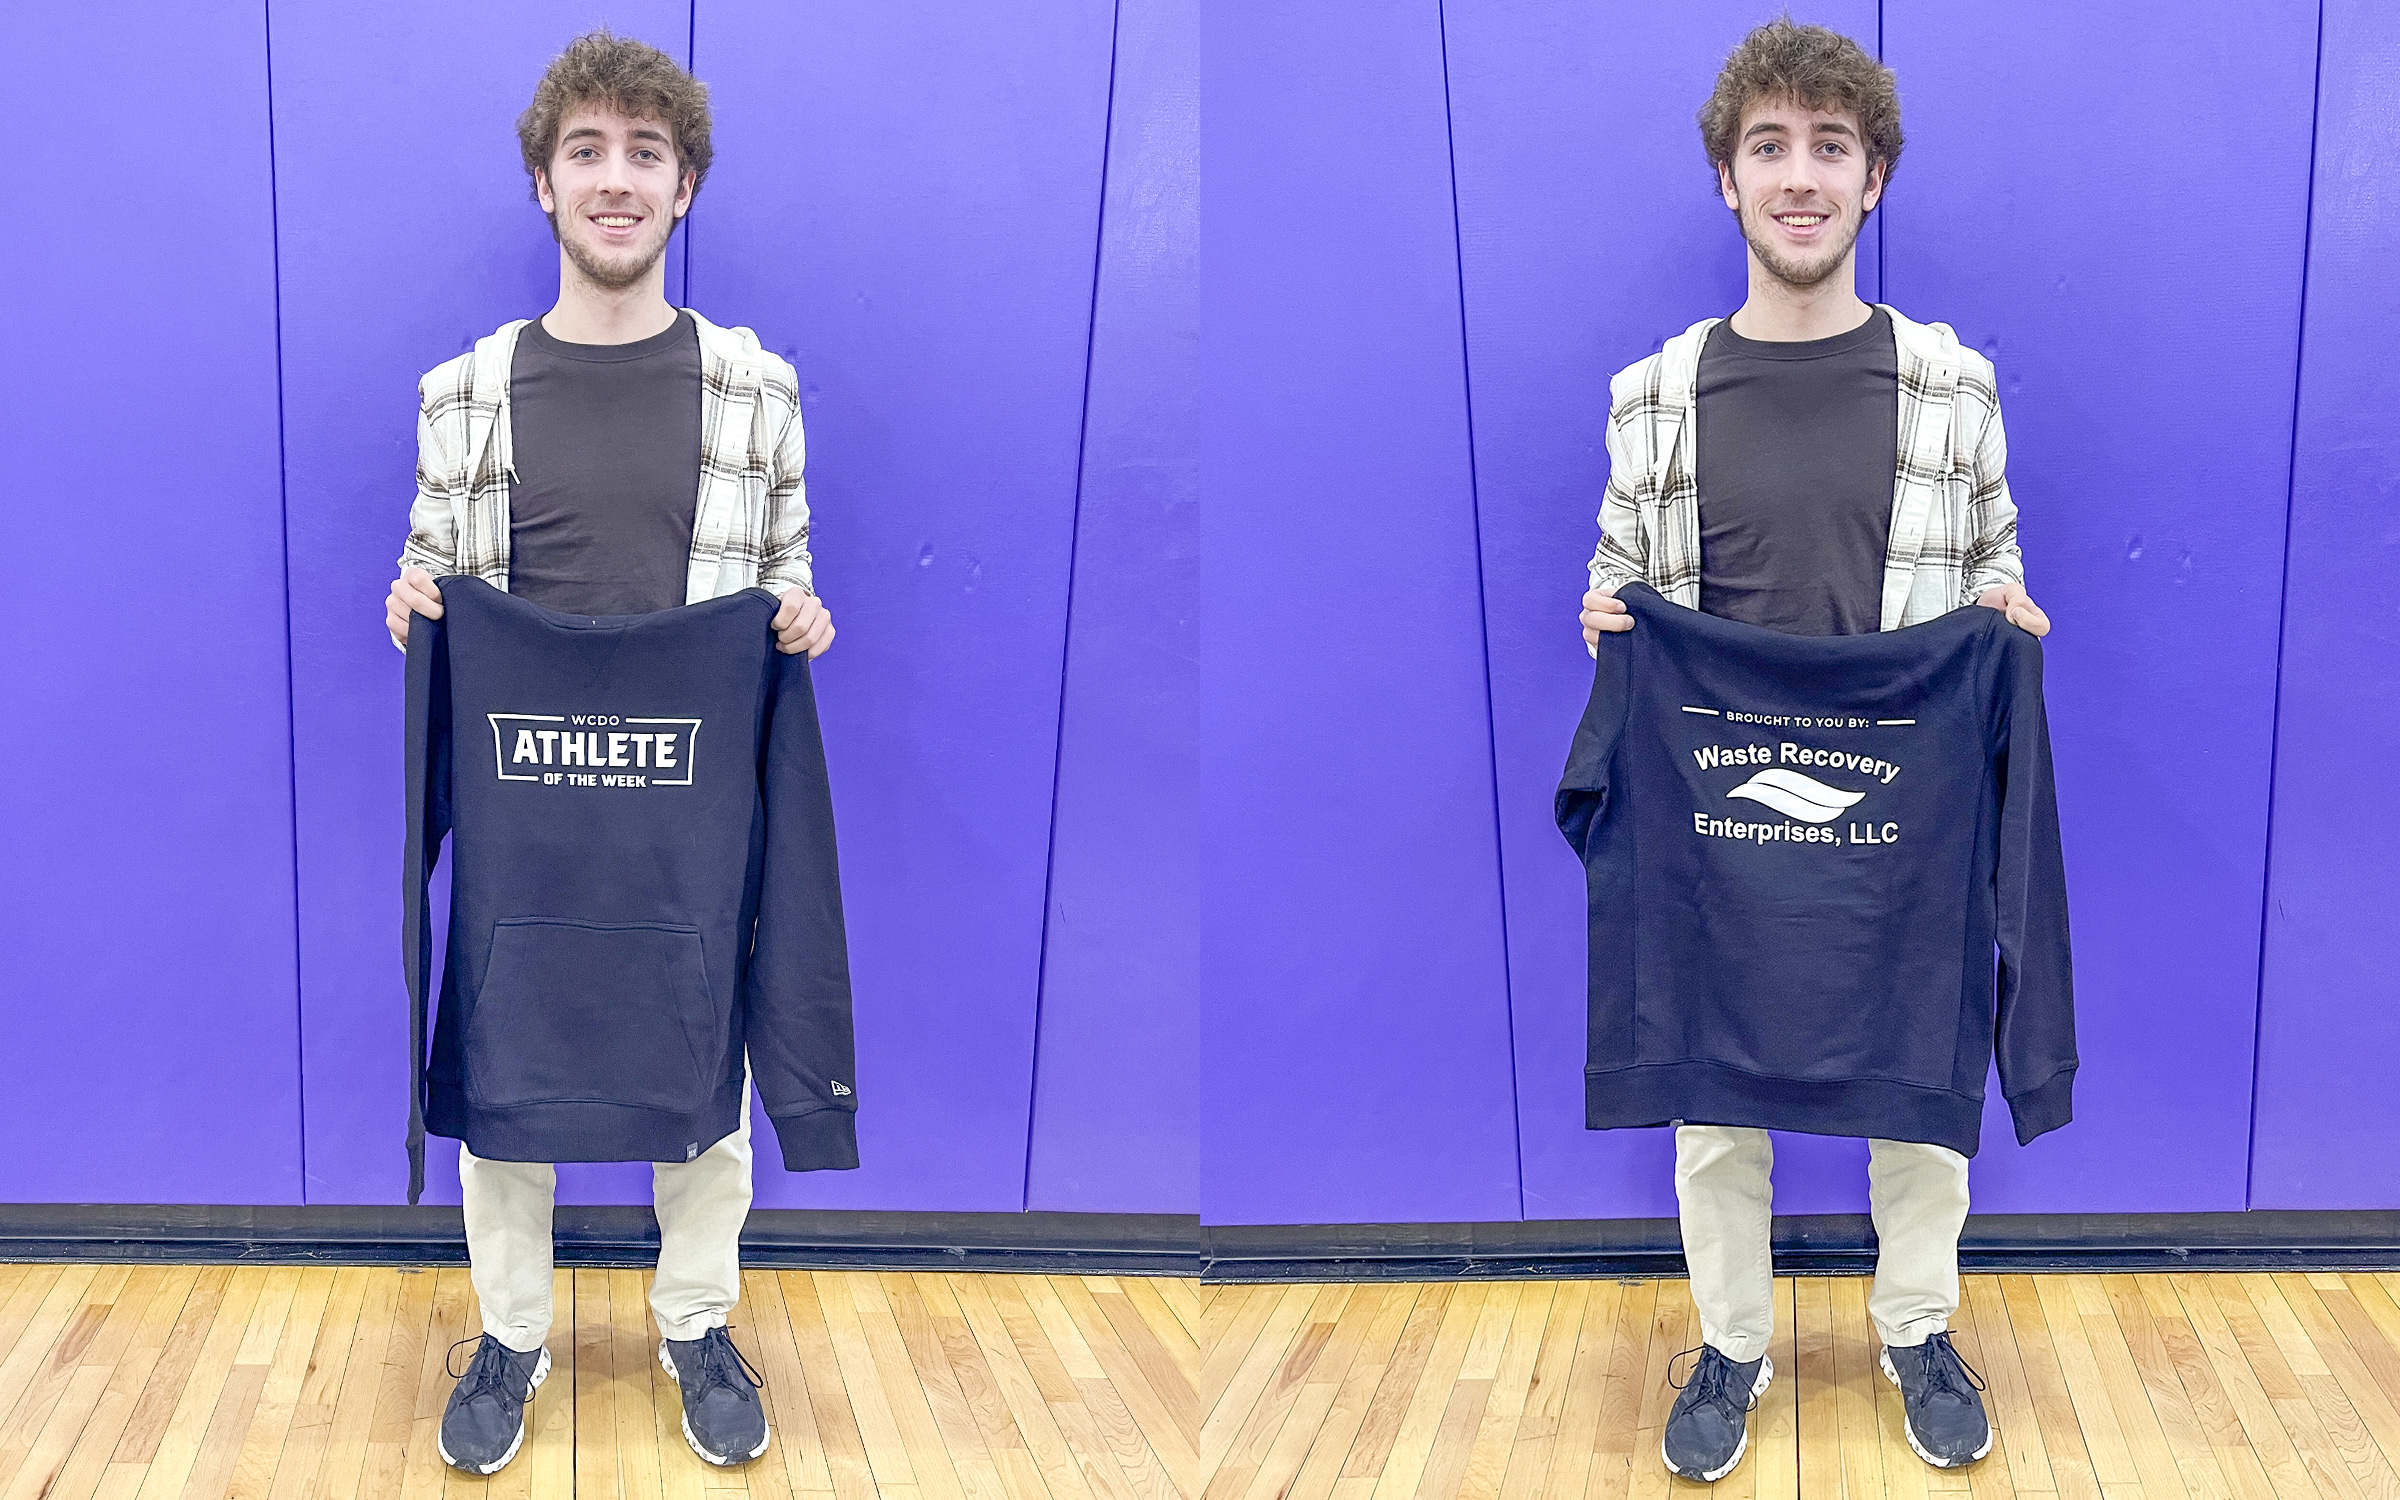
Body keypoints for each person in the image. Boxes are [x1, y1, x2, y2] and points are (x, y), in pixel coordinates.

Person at [1577, 19, 2052, 1482]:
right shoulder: (1652, 395)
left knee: (1919, 1079)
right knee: (1718, 1100)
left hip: (1903, 815)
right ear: (1727, 181)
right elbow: (1619, 580)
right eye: (1769, 148)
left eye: (1829, 149)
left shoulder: (1950, 386)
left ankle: (1917, 1326)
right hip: (1725, 812)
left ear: (1874, 179)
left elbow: (1995, 570)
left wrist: (2012, 620)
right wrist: (1607, 620)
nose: (1801, 178)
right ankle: (1732, 1341)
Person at [382, 29, 833, 1476]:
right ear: (543, 184)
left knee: (705, 1067)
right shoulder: (465, 391)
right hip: (528, 803)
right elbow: (430, 595)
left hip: (688, 807)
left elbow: (785, 575)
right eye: (588, 151)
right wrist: (405, 610)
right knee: (508, 1064)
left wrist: (805, 617)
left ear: (685, 187)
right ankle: (509, 1334)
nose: (616, 179)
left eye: (647, 153)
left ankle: (695, 1320)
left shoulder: (758, 389)